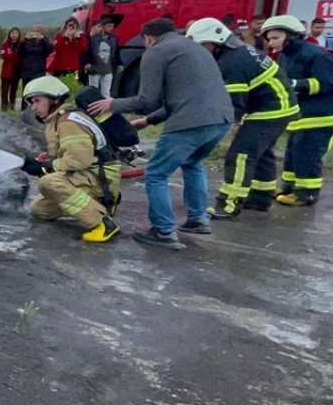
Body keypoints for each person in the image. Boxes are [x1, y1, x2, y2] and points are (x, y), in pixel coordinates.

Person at [88, 18, 234, 250]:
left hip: (190, 122)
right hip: (222, 119)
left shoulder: (156, 52)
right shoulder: (195, 49)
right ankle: (198, 219)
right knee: (192, 164)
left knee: (156, 173)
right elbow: (180, 97)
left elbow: (147, 100)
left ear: (148, 38)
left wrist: (112, 104)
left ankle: (163, 231)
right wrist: (148, 121)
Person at [185, 18, 299, 219]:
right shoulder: (236, 53)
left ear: (216, 41)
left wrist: (220, 130)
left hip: (270, 110)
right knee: (261, 153)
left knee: (240, 155)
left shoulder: (232, 63)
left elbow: (232, 105)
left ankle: (228, 204)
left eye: (203, 46)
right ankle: (260, 197)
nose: (200, 51)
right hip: (280, 106)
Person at [261, 15, 333, 207]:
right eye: (269, 39)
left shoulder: (319, 55)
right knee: (293, 150)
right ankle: (290, 186)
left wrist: (296, 84)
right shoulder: (286, 54)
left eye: (275, 38)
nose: (271, 43)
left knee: (307, 153)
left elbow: (327, 83)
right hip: (305, 113)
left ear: (291, 36)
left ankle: (306, 193)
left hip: (326, 114)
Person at [19, 76, 120, 243]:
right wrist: (44, 161)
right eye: (31, 102)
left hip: (100, 180)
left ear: (54, 99)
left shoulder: (68, 122)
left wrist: (45, 167)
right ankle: (98, 206)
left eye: (37, 101)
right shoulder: (60, 119)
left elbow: (78, 160)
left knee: (49, 183)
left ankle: (102, 223)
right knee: (39, 210)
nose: (33, 107)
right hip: (90, 177)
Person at [15, 26, 53, 108]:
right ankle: (24, 108)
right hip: (27, 70)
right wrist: (25, 40)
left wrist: (42, 40)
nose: (35, 33)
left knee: (37, 92)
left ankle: (36, 108)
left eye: (38, 31)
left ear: (42, 33)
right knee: (26, 91)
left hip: (39, 71)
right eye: (34, 31)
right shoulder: (27, 42)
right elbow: (19, 52)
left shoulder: (45, 42)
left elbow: (49, 51)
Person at [84, 16, 121, 95]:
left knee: (106, 92)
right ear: (103, 27)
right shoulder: (94, 39)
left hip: (108, 70)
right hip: (95, 69)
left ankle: (105, 107)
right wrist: (87, 63)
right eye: (109, 26)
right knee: (93, 91)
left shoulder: (114, 39)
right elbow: (88, 52)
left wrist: (119, 64)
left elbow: (116, 52)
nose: (111, 28)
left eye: (112, 26)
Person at [0, 27, 23, 110]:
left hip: (16, 71)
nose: (14, 35)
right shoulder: (5, 44)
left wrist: (16, 54)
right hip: (6, 71)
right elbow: (5, 56)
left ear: (19, 35)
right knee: (4, 91)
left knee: (13, 90)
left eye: (16, 33)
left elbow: (21, 58)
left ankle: (12, 105)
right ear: (9, 34)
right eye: (12, 33)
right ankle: (4, 107)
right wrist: (15, 53)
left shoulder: (21, 44)